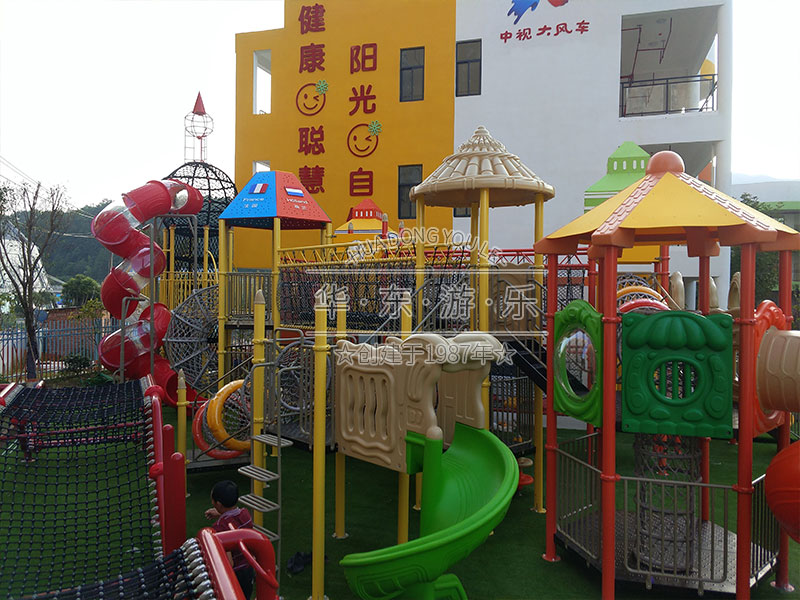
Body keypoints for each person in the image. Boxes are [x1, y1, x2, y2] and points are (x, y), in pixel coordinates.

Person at [205, 480, 254, 598]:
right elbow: (235, 519)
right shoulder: (245, 514)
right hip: (248, 567)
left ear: (218, 504)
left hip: (236, 575)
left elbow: (229, 562)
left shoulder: (220, 528)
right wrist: (221, 514)